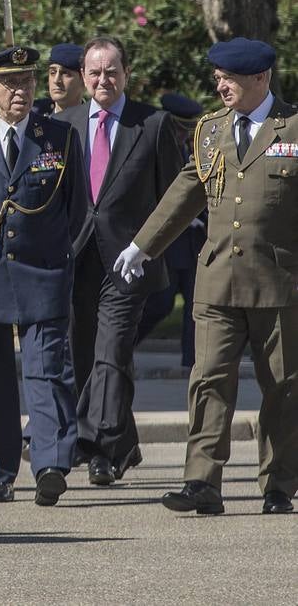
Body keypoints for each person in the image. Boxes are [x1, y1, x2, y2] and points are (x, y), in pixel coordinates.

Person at [116, 38, 298, 516]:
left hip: (279, 284)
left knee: (283, 386)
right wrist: (143, 245)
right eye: (217, 76)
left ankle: (278, 483)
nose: (221, 85)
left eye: (231, 77)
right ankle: (202, 482)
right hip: (217, 278)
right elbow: (186, 190)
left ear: (261, 78)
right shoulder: (211, 130)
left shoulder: (293, 127)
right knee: (209, 381)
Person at [0, 45, 85, 506]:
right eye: (9, 83)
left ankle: (49, 463)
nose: (20, 90)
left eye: (26, 81)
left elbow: (76, 208)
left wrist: (56, 255)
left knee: (46, 371)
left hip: (41, 270)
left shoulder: (58, 138)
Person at [55, 37, 181, 487]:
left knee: (111, 352)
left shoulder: (153, 123)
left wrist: (150, 247)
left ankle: (98, 448)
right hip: (78, 256)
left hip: (131, 260)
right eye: (94, 72)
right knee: (86, 353)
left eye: (111, 71)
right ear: (83, 77)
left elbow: (175, 196)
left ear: (126, 73)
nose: (102, 80)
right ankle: (124, 443)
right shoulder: (64, 125)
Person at [135, 92, 206, 367]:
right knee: (161, 304)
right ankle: (121, 345)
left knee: (195, 308)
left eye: (186, 130)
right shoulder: (154, 149)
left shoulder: (193, 150)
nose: (181, 135)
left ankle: (192, 363)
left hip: (193, 245)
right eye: (178, 129)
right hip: (167, 246)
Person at [40, 42, 85, 115]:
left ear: (83, 79)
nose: (56, 80)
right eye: (53, 72)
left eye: (65, 73)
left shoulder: (93, 123)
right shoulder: (38, 121)